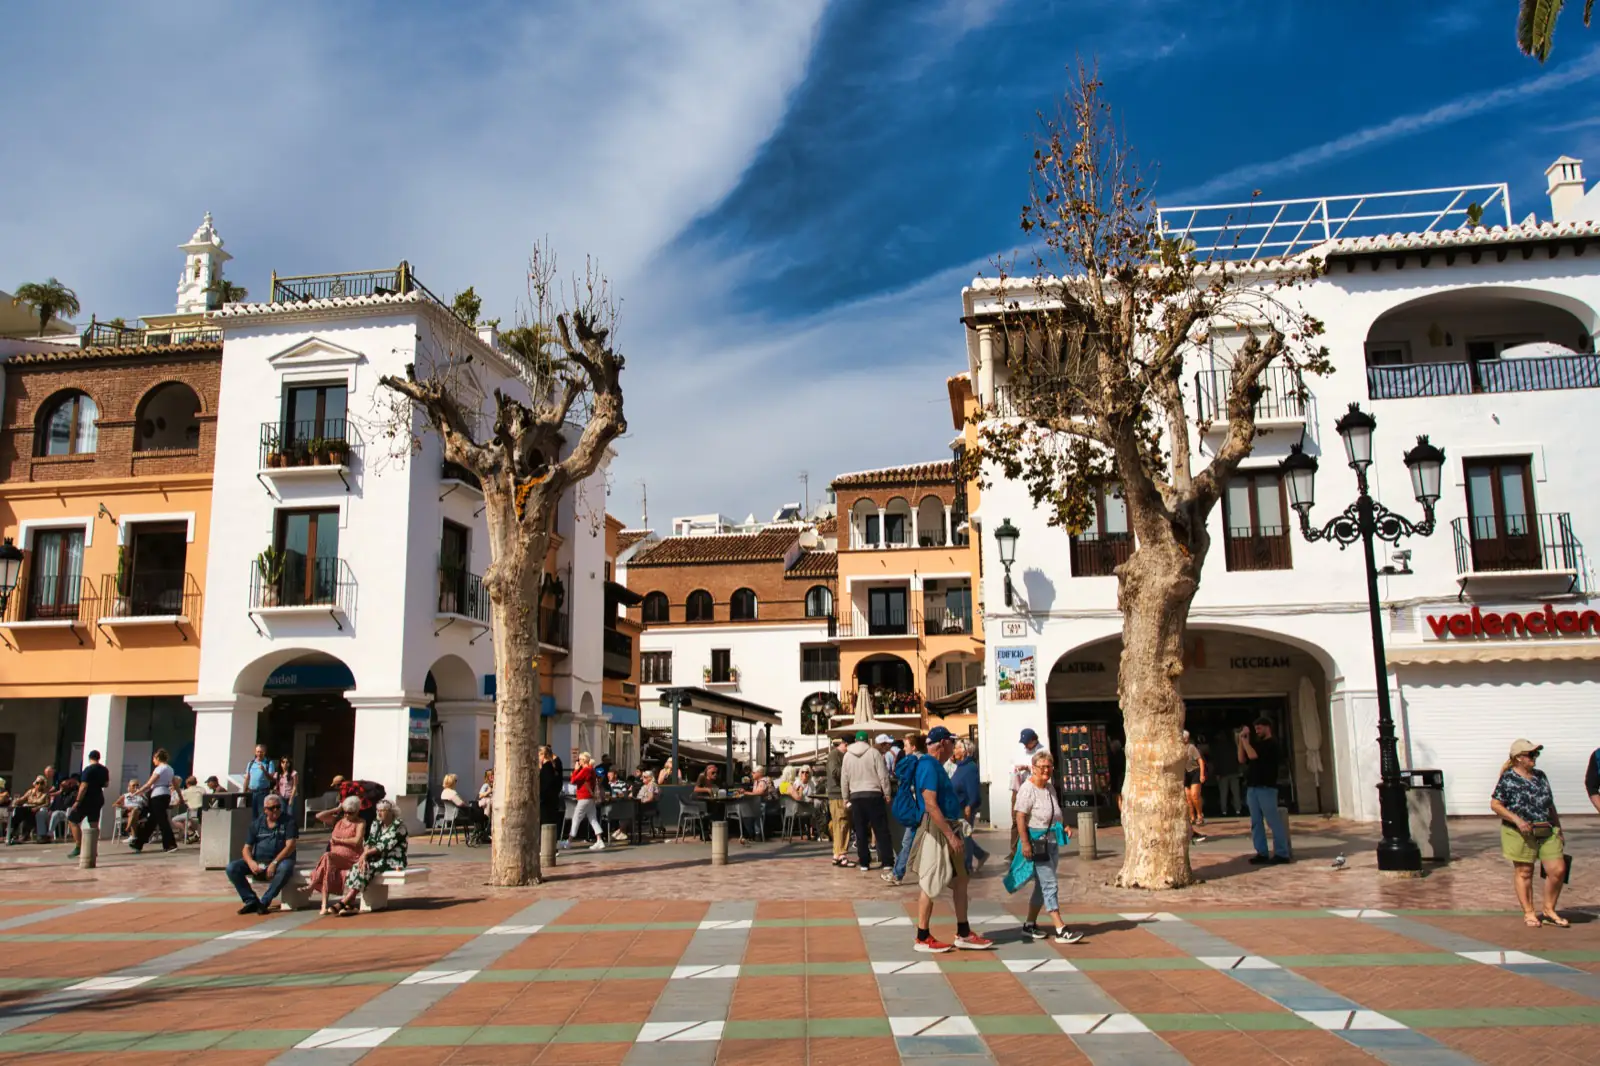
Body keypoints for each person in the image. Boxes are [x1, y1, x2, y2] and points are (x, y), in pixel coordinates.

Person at [911, 725, 993, 953]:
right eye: (951, 742)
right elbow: (930, 803)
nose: (954, 747)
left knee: (960, 881)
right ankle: (922, 936)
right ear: (943, 743)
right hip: (938, 830)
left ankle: (964, 932)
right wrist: (949, 835)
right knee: (930, 882)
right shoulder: (928, 766)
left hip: (949, 827)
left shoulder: (936, 765)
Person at [1490, 739, 1569, 928]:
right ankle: (1529, 912)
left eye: (1536, 754)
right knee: (1525, 872)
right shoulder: (1508, 779)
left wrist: (1558, 828)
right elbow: (1495, 804)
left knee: (1557, 870)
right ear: (1518, 758)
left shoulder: (1541, 776)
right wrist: (1517, 820)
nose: (1535, 758)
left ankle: (1549, 909)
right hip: (1519, 832)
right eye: (1531, 754)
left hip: (1546, 829)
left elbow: (1550, 805)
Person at [1016, 748, 1084, 943]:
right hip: (1037, 842)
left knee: (1041, 885)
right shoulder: (1027, 789)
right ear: (1033, 768)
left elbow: (1055, 812)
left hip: (1052, 840)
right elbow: (1020, 816)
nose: (1046, 770)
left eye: (1049, 766)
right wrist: (1025, 843)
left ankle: (1029, 925)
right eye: (1042, 767)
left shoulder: (1049, 787)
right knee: (1049, 883)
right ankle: (1060, 928)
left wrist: (1064, 826)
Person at [225, 793, 297, 915]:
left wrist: (274, 863)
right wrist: (251, 862)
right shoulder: (257, 824)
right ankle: (250, 900)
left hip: (280, 860)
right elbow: (246, 848)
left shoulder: (289, 821)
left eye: (278, 807)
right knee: (232, 868)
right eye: (271, 808)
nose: (275, 810)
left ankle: (264, 901)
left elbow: (290, 846)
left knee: (286, 868)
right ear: (265, 810)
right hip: (259, 860)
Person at [333, 798, 408, 916]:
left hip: (392, 860)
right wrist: (364, 856)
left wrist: (365, 854)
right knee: (357, 866)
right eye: (378, 810)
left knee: (367, 868)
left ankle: (345, 901)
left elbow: (385, 845)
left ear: (390, 811)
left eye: (382, 810)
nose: (379, 813)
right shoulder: (376, 823)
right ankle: (350, 904)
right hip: (375, 857)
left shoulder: (399, 826)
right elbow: (370, 841)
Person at [1238, 719, 1290, 865]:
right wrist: (1241, 741)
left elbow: (1254, 755)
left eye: (1260, 728)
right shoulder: (1255, 744)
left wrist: (1245, 741)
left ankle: (1282, 853)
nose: (1257, 731)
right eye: (1256, 728)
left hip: (1267, 787)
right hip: (1253, 787)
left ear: (1268, 728)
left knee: (1273, 821)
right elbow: (1242, 758)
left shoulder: (1272, 744)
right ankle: (1262, 852)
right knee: (1256, 822)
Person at [842, 729, 894, 872]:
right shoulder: (874, 753)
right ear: (867, 741)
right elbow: (883, 775)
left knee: (860, 831)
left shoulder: (847, 756)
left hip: (856, 796)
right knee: (881, 829)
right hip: (873, 794)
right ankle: (887, 861)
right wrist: (887, 793)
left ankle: (864, 862)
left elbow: (844, 779)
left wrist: (845, 797)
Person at [309, 797, 368, 914]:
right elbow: (319, 816)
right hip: (334, 857)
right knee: (327, 861)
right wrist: (337, 809)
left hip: (351, 858)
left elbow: (357, 841)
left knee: (327, 857)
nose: (347, 816)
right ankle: (324, 904)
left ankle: (314, 884)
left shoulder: (360, 822)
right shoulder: (338, 820)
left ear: (357, 812)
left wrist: (339, 840)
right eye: (345, 812)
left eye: (350, 813)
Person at [884, 734, 925, 886]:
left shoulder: (918, 762)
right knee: (908, 841)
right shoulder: (915, 762)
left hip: (921, 810)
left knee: (909, 842)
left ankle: (898, 874)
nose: (904, 748)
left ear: (913, 747)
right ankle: (897, 873)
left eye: (906, 745)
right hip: (919, 809)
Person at [128, 748, 178, 853]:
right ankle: (138, 843)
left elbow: (149, 783)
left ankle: (170, 844)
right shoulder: (170, 769)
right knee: (153, 819)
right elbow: (175, 784)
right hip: (166, 794)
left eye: (154, 758)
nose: (153, 761)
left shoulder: (159, 769)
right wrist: (181, 797)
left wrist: (138, 791)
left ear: (158, 758)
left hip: (157, 795)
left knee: (162, 820)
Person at [951, 741, 988, 874]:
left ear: (965, 751)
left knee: (965, 836)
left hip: (965, 807)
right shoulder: (960, 766)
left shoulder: (970, 767)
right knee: (963, 835)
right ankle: (981, 854)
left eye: (958, 748)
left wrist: (970, 805)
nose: (954, 750)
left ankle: (967, 866)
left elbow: (973, 790)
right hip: (957, 806)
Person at [65, 753, 109, 858]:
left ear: (90, 758)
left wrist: (78, 800)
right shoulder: (104, 770)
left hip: (86, 800)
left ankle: (79, 846)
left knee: (73, 820)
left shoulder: (88, 770)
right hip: (98, 798)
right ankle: (93, 849)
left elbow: (84, 785)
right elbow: (106, 784)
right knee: (94, 824)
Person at [1011, 728, 1045, 856]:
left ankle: (1033, 846)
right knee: (1015, 819)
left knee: (1031, 819)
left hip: (1034, 787)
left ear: (1034, 740)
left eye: (1027, 743)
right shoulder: (1021, 750)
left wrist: (1027, 767)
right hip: (1019, 787)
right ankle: (1014, 852)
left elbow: (1043, 770)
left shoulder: (1042, 751)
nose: (1025, 745)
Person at [564, 752, 606, 850]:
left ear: (584, 760)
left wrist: (575, 770)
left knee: (576, 818)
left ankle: (569, 841)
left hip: (584, 797)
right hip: (590, 797)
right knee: (593, 818)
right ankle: (599, 840)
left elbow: (573, 781)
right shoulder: (591, 770)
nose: (578, 762)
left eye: (580, 760)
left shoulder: (586, 770)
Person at [823, 737, 850, 867]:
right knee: (842, 823)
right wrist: (849, 771)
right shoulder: (835, 754)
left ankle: (837, 854)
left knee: (838, 824)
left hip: (838, 793)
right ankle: (841, 853)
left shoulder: (838, 755)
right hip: (838, 794)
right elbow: (835, 771)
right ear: (846, 744)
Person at [1210, 728, 1242, 816]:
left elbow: (1216, 761)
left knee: (1223, 793)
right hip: (1234, 771)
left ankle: (1224, 810)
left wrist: (1216, 773)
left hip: (1222, 773)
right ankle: (1238, 809)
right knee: (1236, 792)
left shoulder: (1217, 748)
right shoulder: (1233, 746)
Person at [1183, 730, 1208, 843]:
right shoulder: (1177, 748)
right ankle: (1191, 816)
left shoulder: (1191, 747)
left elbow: (1200, 761)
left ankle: (1199, 815)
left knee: (1195, 795)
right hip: (1184, 774)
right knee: (1187, 797)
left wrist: (1202, 774)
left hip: (1194, 772)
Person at [9, 777, 47, 844]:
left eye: (41, 783)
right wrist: (16, 801)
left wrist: (37, 807)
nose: (39, 785)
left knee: (27, 813)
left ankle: (24, 834)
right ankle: (12, 831)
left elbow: (47, 804)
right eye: (37, 783)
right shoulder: (30, 792)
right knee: (18, 810)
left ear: (44, 784)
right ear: (34, 784)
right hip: (28, 809)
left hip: (37, 809)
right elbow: (22, 799)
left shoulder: (45, 794)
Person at [245, 744, 275, 820]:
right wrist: (244, 791)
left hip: (263, 792)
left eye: (261, 752)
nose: (259, 754)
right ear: (255, 752)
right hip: (252, 792)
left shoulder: (269, 763)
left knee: (262, 813)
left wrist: (264, 770)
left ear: (265, 752)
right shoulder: (251, 763)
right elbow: (247, 778)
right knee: (252, 814)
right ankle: (255, 830)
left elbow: (272, 778)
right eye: (258, 752)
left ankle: (262, 830)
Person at [538, 747, 563, 831]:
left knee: (545, 823)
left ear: (543, 755)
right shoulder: (551, 767)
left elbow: (545, 784)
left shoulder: (547, 768)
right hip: (552, 799)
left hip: (546, 801)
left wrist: (541, 797)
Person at [274, 756, 300, 825]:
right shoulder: (278, 774)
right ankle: (284, 830)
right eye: (283, 762)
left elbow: (295, 786)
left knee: (290, 813)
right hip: (282, 796)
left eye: (287, 762)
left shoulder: (294, 773)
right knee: (282, 813)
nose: (285, 764)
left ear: (289, 764)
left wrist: (291, 798)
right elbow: (277, 785)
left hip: (291, 795)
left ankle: (291, 831)